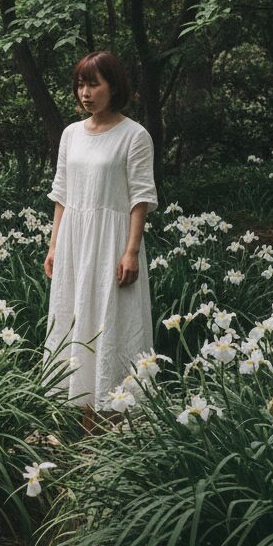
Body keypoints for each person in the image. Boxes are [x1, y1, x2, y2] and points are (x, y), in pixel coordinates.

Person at [42, 51, 158, 434]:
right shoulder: (71, 133)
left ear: (114, 86)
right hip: (75, 244)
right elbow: (61, 194)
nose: (85, 93)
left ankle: (115, 425)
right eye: (80, 84)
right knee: (74, 319)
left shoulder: (134, 135)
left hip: (112, 245)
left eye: (94, 84)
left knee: (111, 325)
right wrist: (54, 245)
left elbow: (141, 197)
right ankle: (80, 424)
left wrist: (131, 250)